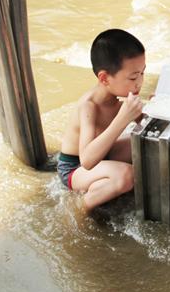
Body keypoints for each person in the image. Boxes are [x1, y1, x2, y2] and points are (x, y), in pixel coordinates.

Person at [57, 28, 145, 213]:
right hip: (75, 168)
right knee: (126, 176)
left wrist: (159, 106)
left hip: (102, 155)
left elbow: (145, 125)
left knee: (145, 144)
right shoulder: (89, 106)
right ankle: (80, 206)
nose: (139, 83)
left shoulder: (120, 95)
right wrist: (122, 119)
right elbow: (87, 161)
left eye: (142, 73)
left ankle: (105, 185)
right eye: (133, 77)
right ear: (104, 78)